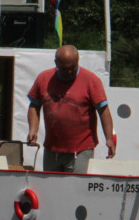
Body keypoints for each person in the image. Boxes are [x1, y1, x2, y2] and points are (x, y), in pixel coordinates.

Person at [27, 45, 116, 173]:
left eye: (72, 67)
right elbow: (34, 106)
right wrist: (33, 130)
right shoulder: (43, 78)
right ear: (56, 63)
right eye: (64, 68)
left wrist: (109, 139)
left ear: (78, 60)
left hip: (81, 150)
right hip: (52, 149)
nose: (69, 72)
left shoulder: (91, 80)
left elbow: (104, 111)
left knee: (76, 184)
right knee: (51, 184)